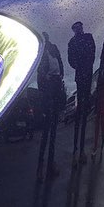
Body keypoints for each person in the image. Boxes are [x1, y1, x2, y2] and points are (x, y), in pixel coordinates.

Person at [37, 32, 64, 180]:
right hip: (47, 88)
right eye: (43, 37)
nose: (46, 39)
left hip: (55, 84)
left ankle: (50, 165)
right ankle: (40, 167)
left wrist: (60, 77)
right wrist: (44, 77)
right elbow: (38, 70)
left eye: (46, 37)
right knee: (46, 132)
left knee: (53, 132)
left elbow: (59, 63)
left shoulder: (53, 49)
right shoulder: (40, 51)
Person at [68, 21, 96, 164]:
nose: (78, 29)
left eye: (80, 27)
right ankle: (76, 150)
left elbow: (92, 54)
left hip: (87, 74)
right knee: (80, 111)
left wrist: (85, 64)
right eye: (76, 28)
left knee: (85, 110)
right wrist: (80, 64)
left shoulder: (88, 37)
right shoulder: (72, 42)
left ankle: (82, 149)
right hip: (80, 76)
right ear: (74, 30)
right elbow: (70, 60)